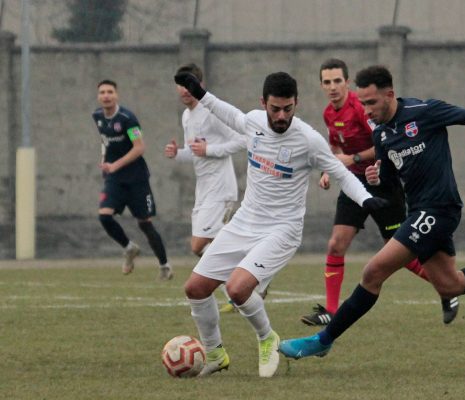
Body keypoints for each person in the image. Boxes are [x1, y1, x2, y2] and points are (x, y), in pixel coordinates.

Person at [279, 65, 465, 360]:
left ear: (389, 95)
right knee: (450, 284)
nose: (366, 111)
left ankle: (323, 340)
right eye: (363, 103)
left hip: (440, 208)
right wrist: (378, 177)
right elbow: (390, 180)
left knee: (373, 272)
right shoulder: (381, 136)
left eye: (372, 102)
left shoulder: (423, 111)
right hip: (419, 210)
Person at [174, 70, 390, 378]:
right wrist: (199, 92)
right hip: (245, 221)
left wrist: (366, 200)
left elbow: (340, 173)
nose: (281, 115)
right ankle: (215, 353)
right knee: (195, 288)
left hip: (282, 230)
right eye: (275, 108)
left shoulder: (308, 139)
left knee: (237, 289)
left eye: (288, 108)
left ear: (296, 104)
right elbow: (227, 112)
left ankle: (267, 338)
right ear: (264, 103)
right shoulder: (253, 122)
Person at [301, 58, 458, 326]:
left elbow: (384, 145)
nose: (332, 87)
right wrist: (330, 169)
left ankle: (448, 289)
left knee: (401, 254)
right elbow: (336, 152)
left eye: (337, 81)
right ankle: (330, 310)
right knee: (336, 244)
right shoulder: (330, 113)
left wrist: (354, 160)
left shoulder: (364, 109)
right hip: (353, 186)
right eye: (327, 82)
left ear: (347, 83)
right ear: (321, 86)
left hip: (383, 184)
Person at [164, 63, 248, 312]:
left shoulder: (211, 111)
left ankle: (249, 278)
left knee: (198, 245)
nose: (184, 90)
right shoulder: (187, 116)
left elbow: (242, 140)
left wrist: (210, 149)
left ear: (200, 86)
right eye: (181, 85)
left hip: (221, 188)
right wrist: (177, 154)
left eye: (190, 85)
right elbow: (195, 154)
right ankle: (243, 285)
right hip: (204, 190)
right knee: (209, 246)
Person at [93, 80, 172, 280]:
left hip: (137, 179)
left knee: (145, 223)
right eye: (102, 92)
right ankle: (129, 248)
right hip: (115, 180)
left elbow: (139, 147)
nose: (106, 95)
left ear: (116, 95)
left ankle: (164, 265)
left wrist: (114, 165)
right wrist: (104, 162)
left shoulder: (128, 119)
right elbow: (105, 141)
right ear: (98, 96)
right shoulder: (98, 117)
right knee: (104, 216)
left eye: (110, 91)